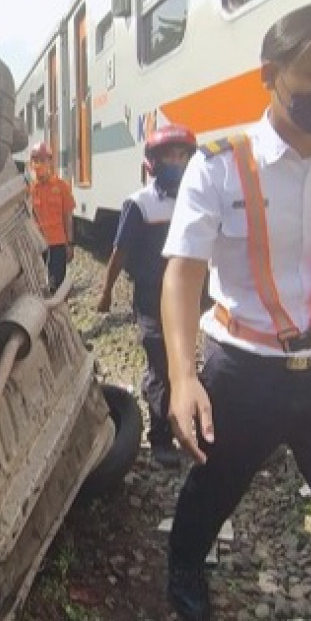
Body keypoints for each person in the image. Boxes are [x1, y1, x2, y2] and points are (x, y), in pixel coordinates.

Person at [159, 3, 311, 621]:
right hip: (243, 372)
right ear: (271, 72)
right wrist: (185, 377)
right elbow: (183, 272)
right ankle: (184, 565)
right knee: (212, 492)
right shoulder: (218, 165)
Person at [96, 124, 196, 465]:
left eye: (183, 155)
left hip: (189, 296)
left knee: (191, 361)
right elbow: (120, 252)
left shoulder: (195, 199)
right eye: (170, 155)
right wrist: (107, 290)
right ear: (153, 162)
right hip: (151, 298)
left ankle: (196, 423)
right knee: (161, 364)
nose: (177, 162)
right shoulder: (139, 204)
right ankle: (161, 439)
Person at [27, 142, 75, 293]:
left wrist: (70, 244)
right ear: (31, 163)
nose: (39, 164)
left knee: (56, 285)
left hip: (57, 245)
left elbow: (68, 218)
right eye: (36, 160)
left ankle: (57, 313)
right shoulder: (28, 189)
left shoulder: (62, 187)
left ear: (50, 161)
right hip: (36, 247)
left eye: (43, 160)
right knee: (38, 286)